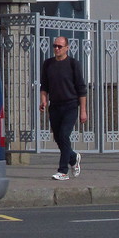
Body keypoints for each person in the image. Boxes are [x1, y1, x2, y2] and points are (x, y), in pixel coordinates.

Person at [40, 36, 88, 181]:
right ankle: (73, 158)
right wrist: (43, 101)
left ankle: (63, 171)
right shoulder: (48, 64)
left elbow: (81, 89)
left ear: (67, 48)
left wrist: (83, 111)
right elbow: (44, 86)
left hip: (71, 105)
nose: (56, 49)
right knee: (58, 137)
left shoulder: (73, 64)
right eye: (55, 46)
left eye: (60, 46)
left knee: (64, 135)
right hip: (55, 106)